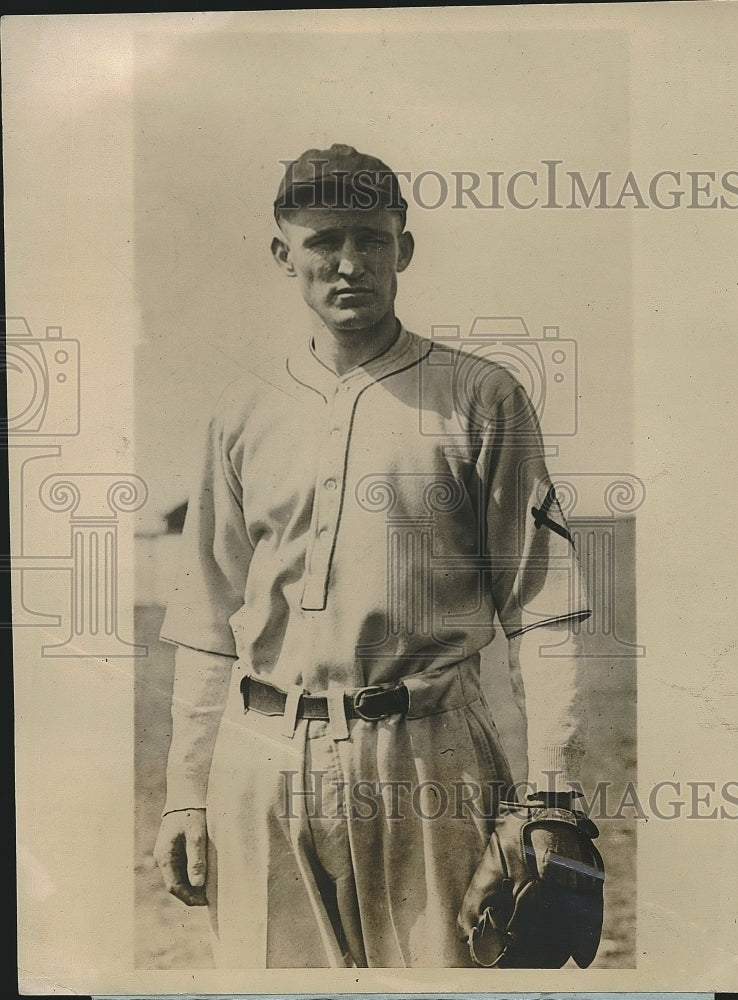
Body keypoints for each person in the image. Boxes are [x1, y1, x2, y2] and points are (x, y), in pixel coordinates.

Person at [153, 143, 592, 968]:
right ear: (284, 253)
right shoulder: (242, 406)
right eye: (323, 241)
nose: (349, 263)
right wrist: (185, 794)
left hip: (430, 753)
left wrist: (555, 793)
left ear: (405, 247)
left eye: (371, 238)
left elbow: (542, 605)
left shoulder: (480, 394)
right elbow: (210, 617)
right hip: (263, 754)